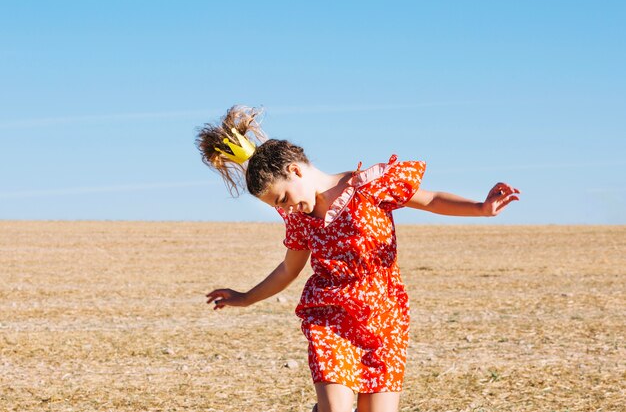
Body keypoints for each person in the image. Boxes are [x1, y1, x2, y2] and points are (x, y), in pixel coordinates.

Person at [196, 105, 520, 412]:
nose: (285, 210)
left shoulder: (370, 187)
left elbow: (431, 199)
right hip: (330, 320)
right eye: (277, 207)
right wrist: (245, 298)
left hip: (384, 322)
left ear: (295, 171)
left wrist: (481, 208)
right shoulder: (299, 218)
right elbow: (288, 269)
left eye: (283, 199)